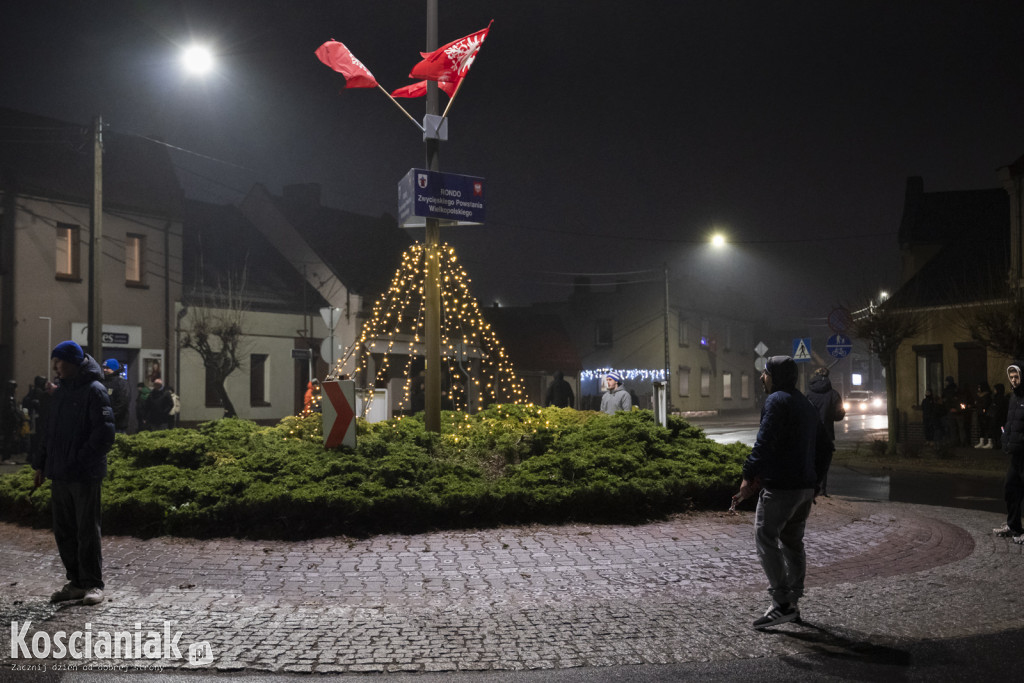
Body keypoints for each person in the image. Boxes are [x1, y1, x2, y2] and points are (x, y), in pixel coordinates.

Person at [732, 355, 832, 629]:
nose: (761, 378)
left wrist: (747, 476)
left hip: (781, 487)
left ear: (774, 376)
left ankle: (781, 603)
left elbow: (763, 444)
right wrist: (815, 483)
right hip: (803, 489)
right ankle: (793, 602)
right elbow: (826, 448)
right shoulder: (805, 403)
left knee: (765, 537)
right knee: (792, 542)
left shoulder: (776, 400)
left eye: (764, 373)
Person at [31, 340, 114, 606]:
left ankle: (93, 583)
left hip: (83, 475)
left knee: (86, 530)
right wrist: (40, 464)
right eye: (55, 362)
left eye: (60, 361)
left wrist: (79, 460)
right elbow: (49, 432)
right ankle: (76, 582)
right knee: (64, 530)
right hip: (60, 473)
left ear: (74, 363)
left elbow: (104, 435)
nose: (56, 367)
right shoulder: (61, 392)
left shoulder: (95, 391)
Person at [994, 362, 1024, 543]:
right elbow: (1009, 423)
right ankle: (1013, 526)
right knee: (1010, 488)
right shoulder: (1013, 397)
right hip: (1016, 454)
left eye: (1017, 376)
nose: (1013, 380)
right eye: (1011, 377)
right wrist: (1005, 439)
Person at [805, 367, 845, 495]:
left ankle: (809, 488)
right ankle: (821, 489)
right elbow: (839, 414)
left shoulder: (808, 394)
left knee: (810, 460)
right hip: (826, 433)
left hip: (810, 433)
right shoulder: (833, 394)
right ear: (828, 377)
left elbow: (803, 412)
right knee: (823, 461)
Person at [101, 359, 130, 434]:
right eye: (104, 367)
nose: (104, 370)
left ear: (114, 368)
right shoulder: (102, 383)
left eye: (107, 368)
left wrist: (108, 415)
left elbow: (122, 403)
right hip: (102, 424)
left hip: (118, 424)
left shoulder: (122, 383)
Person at [974, 381, 993, 448]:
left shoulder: (987, 395)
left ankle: (989, 442)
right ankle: (981, 442)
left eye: (980, 387)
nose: (979, 388)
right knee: (981, 427)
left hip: (985, 413)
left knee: (987, 427)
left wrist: (979, 405)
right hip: (980, 413)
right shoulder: (979, 395)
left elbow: (985, 404)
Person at [991, 383, 1008, 449]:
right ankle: (999, 444)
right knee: (999, 431)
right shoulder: (998, 398)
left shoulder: (1000, 399)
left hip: (1000, 419)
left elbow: (1000, 409)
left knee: (1001, 431)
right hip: (999, 419)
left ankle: (1000, 444)